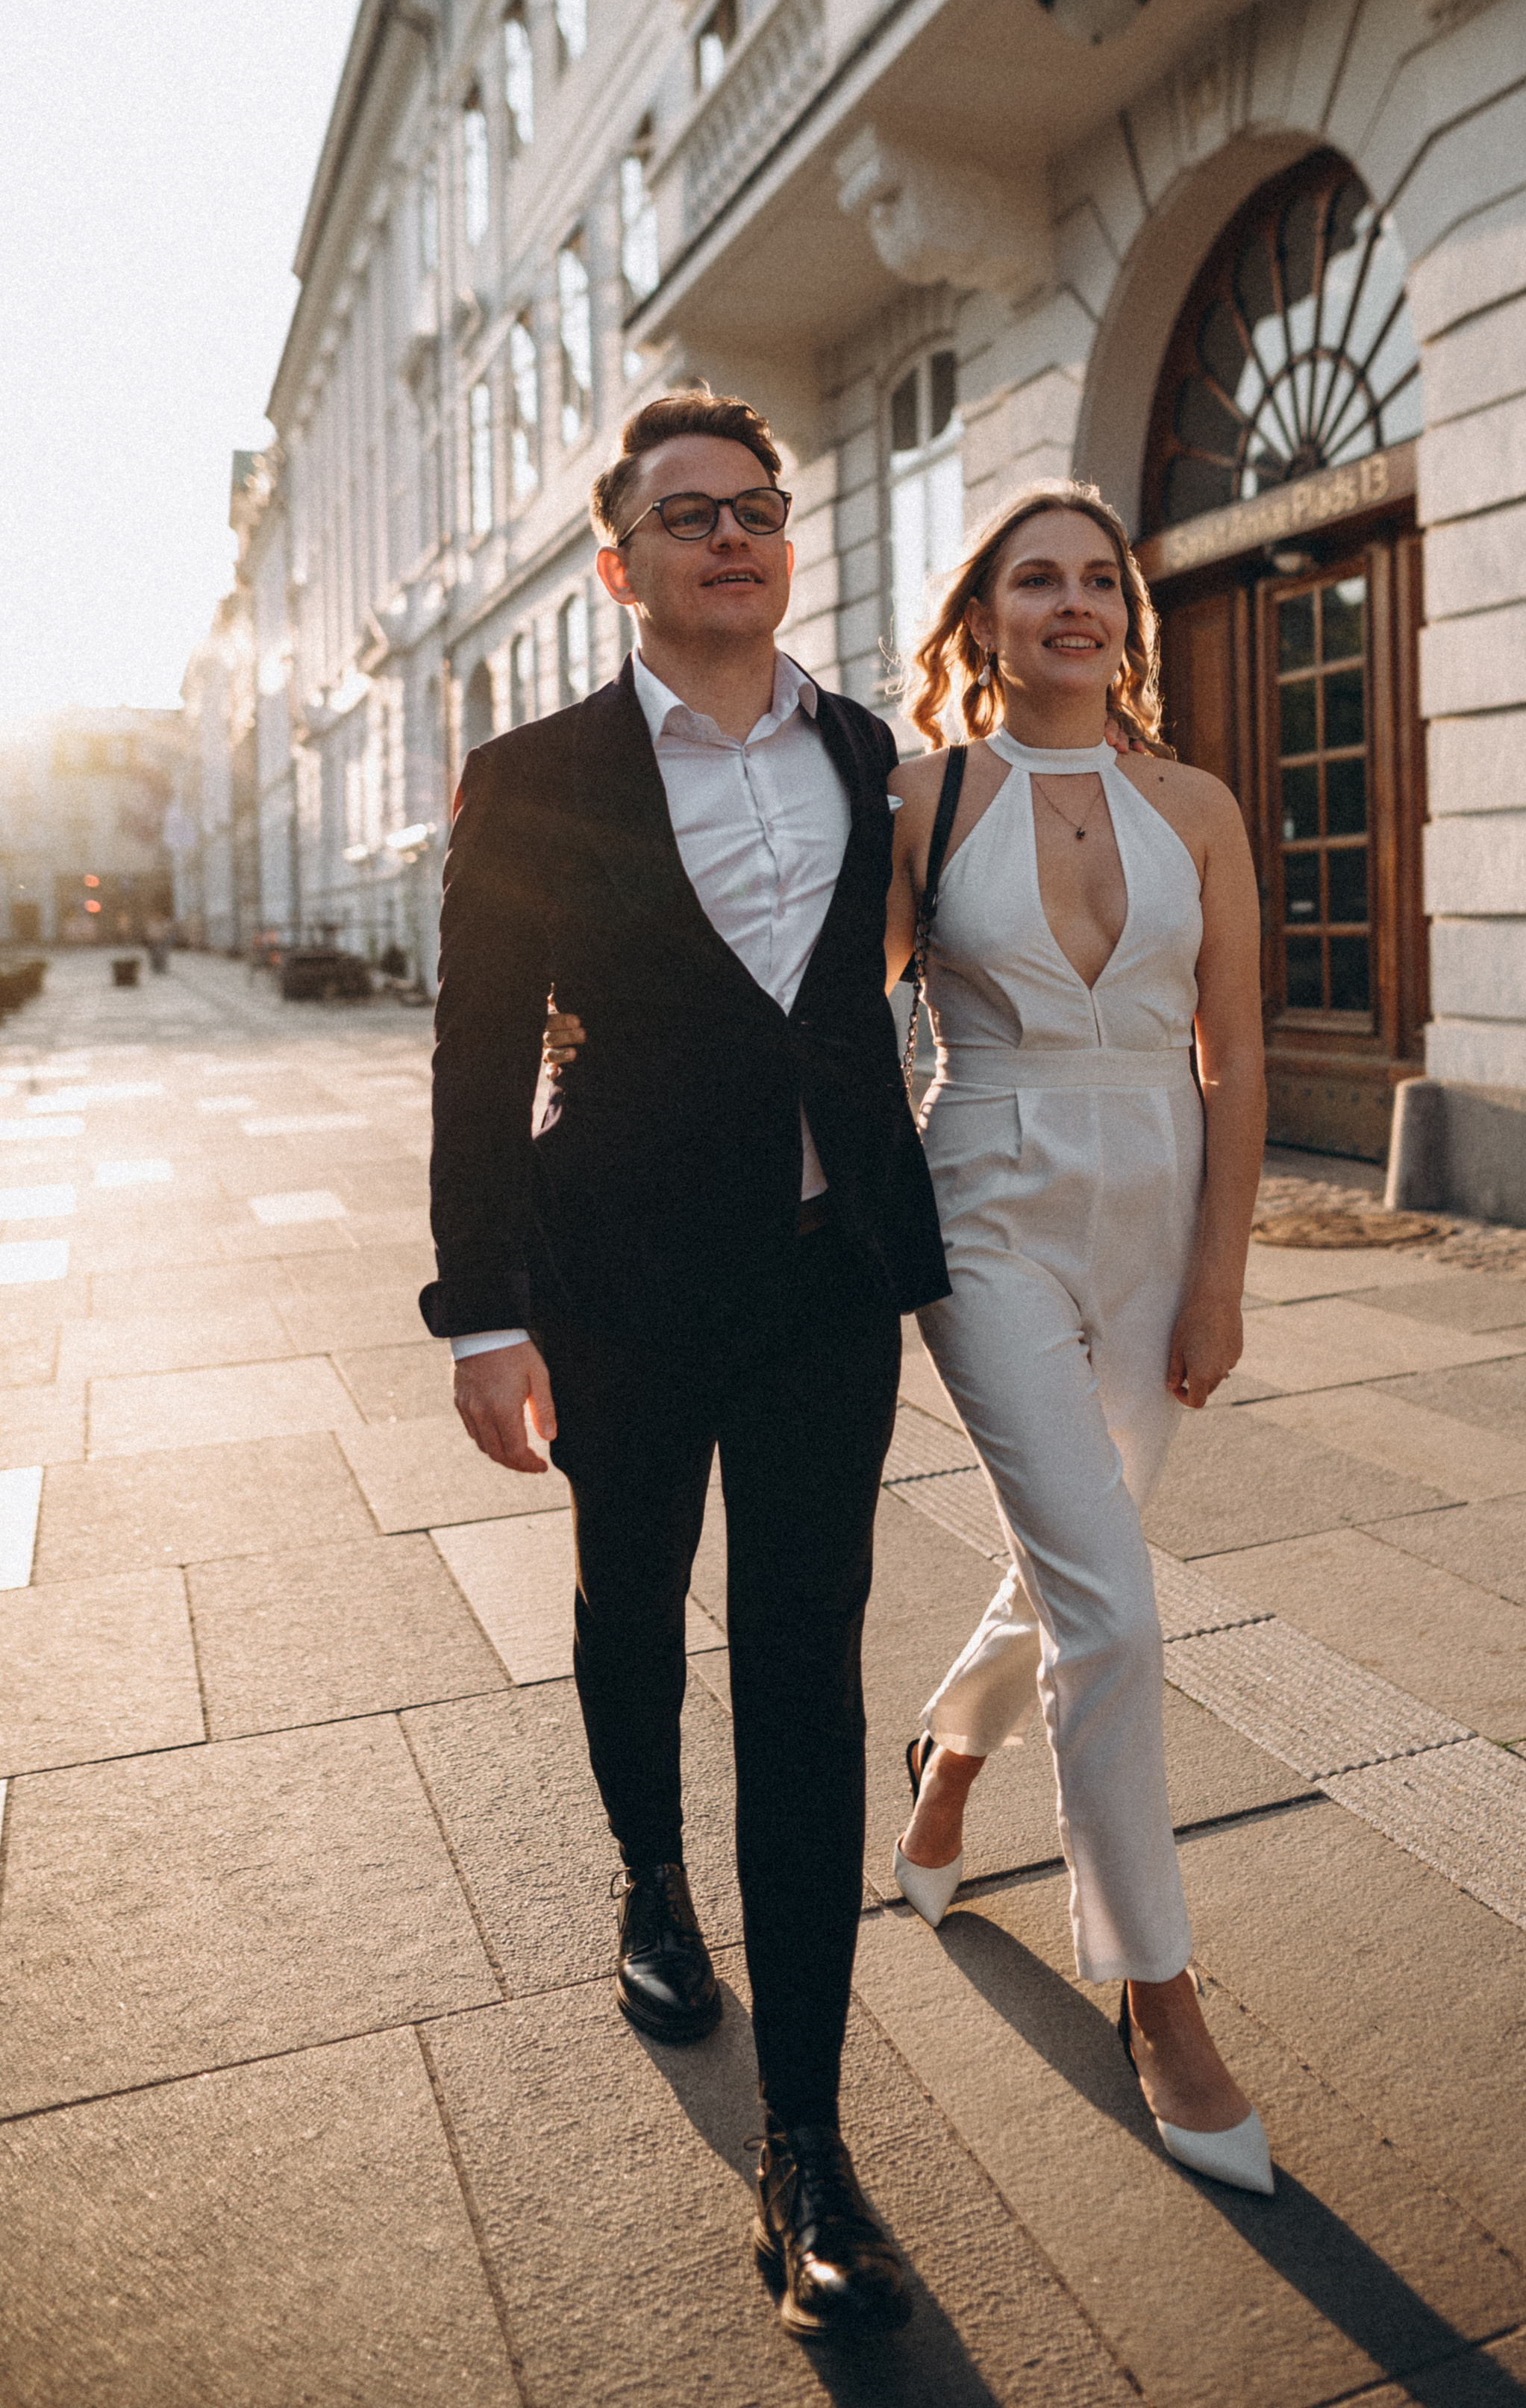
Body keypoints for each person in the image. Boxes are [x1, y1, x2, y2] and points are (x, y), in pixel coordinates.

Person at [422, 390, 948, 2339]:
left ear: (787, 543)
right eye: (689, 514)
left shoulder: (866, 750)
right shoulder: (533, 773)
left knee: (807, 1681)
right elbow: (477, 1062)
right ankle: (651, 1876)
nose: (731, 537)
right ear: (619, 562)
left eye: (757, 509)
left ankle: (802, 2148)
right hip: (620, 1288)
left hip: (824, 1290)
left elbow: (858, 1003)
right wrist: (479, 1313)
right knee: (630, 1603)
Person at [886, 483, 1275, 2195]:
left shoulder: (1191, 802)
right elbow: (831, 1016)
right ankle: (1156, 1987)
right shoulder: (922, 796)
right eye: (1031, 578)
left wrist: (1219, 1273)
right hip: (984, 1199)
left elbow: (1236, 1054)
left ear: (1127, 612)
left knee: (1078, 1558)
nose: (1070, 603)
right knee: (1112, 1606)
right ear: (978, 619)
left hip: (1158, 1205)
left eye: (1095, 578)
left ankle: (950, 1748)